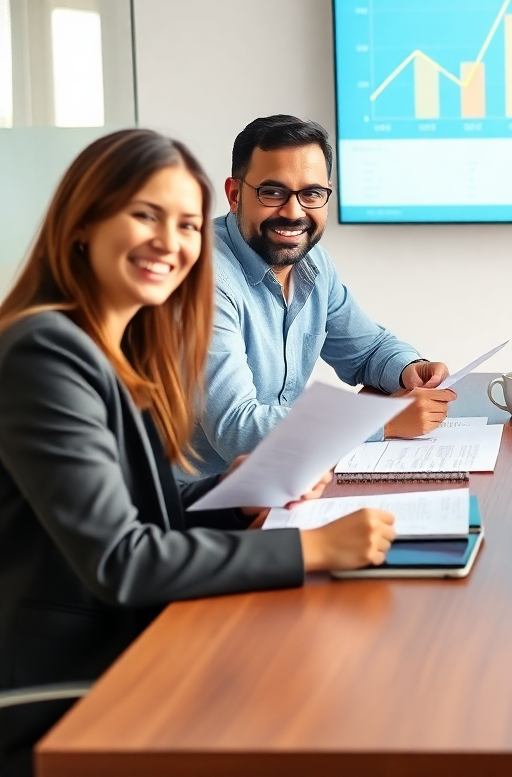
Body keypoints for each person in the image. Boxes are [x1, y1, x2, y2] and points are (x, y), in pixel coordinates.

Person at [0, 130, 397, 776]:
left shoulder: (108, 347)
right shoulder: (45, 351)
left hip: (129, 650)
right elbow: (121, 560)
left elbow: (127, 516)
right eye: (145, 215)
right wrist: (313, 549)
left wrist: (233, 499)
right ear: (83, 222)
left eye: (187, 224)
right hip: (62, 691)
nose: (173, 242)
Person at [189, 115, 454, 479]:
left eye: (311, 194)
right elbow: (237, 431)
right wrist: (381, 422)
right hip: (204, 507)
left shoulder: (311, 262)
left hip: (286, 481)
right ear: (235, 195)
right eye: (273, 192)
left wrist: (409, 369)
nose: (294, 212)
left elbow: (367, 351)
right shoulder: (202, 279)